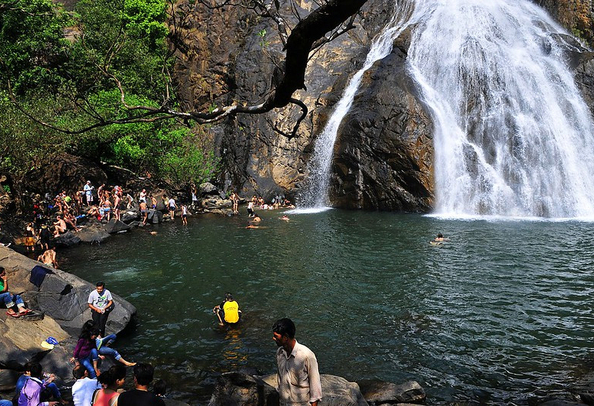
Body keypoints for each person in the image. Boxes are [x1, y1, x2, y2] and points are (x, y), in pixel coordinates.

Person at [272, 318, 322, 406]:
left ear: (286, 337)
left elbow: (315, 391)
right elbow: (280, 380)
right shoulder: (280, 353)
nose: (273, 338)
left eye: (276, 336)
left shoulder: (307, 356)